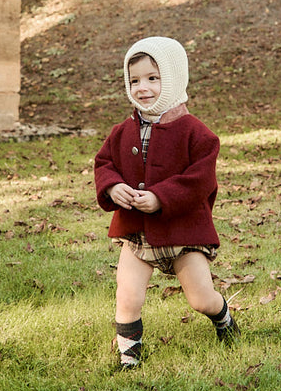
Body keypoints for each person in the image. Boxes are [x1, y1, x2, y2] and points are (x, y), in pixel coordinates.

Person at [94, 36, 239, 370]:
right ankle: (128, 357)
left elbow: (201, 180)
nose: (142, 88)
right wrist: (113, 187)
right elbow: (105, 164)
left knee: (200, 297)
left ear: (173, 78)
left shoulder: (197, 133)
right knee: (128, 293)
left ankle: (223, 317)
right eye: (134, 80)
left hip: (183, 231)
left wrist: (161, 197)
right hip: (137, 232)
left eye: (153, 78)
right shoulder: (122, 131)